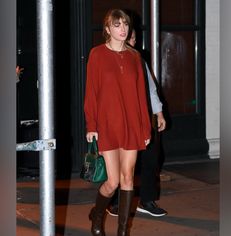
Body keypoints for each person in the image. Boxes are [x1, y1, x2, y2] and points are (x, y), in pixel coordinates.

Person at [84, 9, 151, 236]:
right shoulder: (97, 54)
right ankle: (97, 215)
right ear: (107, 29)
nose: (122, 29)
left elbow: (142, 95)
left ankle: (123, 231)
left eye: (125, 24)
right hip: (108, 124)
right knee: (112, 182)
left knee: (128, 176)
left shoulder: (135, 57)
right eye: (117, 25)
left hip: (132, 124)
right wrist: (91, 125)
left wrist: (145, 127)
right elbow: (91, 93)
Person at [106, 29, 167, 217]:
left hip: (143, 117)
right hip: (119, 119)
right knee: (120, 163)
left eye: (133, 37)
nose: (131, 41)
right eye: (129, 37)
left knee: (150, 158)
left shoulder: (138, 59)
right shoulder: (107, 58)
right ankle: (115, 202)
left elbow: (151, 88)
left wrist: (159, 113)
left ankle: (146, 200)